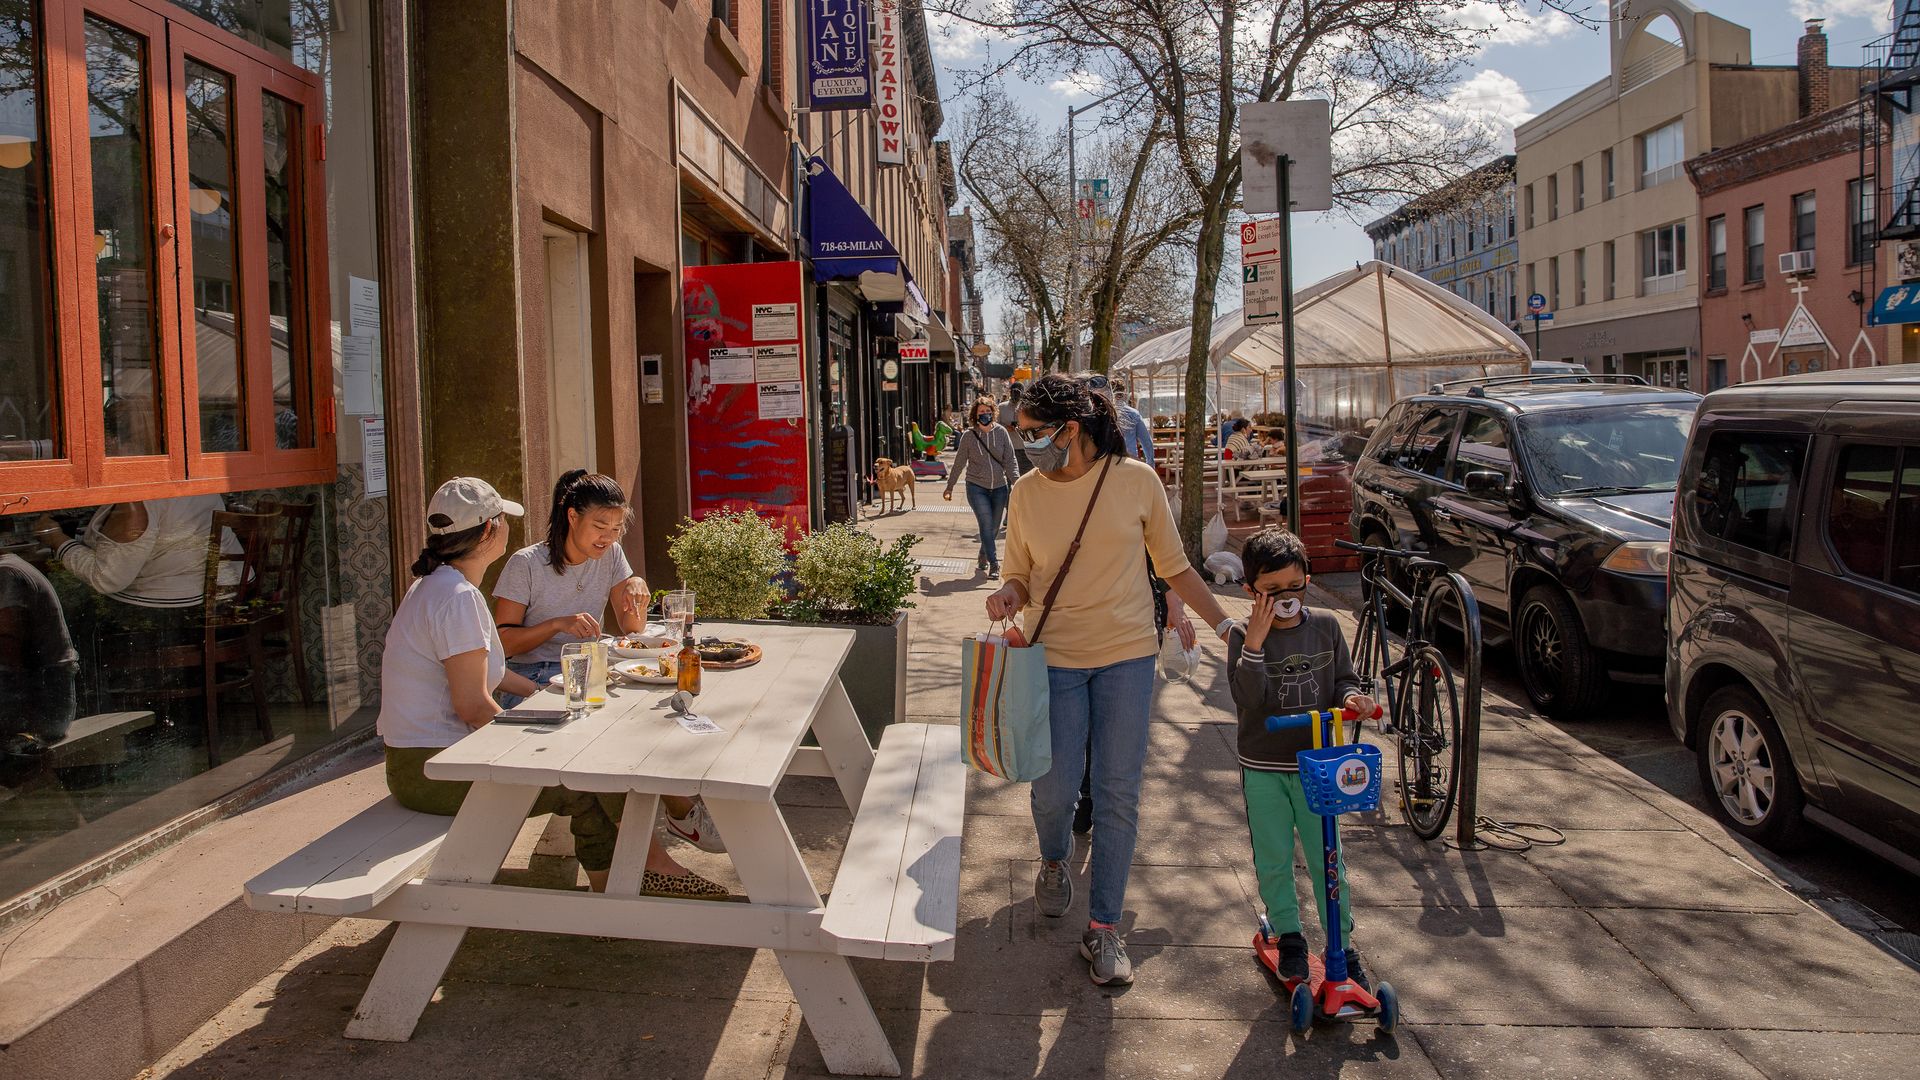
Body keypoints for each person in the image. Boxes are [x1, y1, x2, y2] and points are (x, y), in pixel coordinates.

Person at [986, 373, 1233, 986]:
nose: (1027, 446)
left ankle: (1104, 930)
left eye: (1035, 434)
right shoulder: (1025, 493)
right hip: (1055, 660)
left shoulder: (1135, 482)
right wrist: (1007, 592)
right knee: (1055, 791)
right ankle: (1052, 859)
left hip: (1126, 657)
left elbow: (1174, 568)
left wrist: (1229, 628)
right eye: (1022, 436)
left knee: (1119, 793)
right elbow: (1018, 571)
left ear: (1072, 430)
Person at [380, 477, 726, 900]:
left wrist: (547, 701)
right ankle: (636, 878)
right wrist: (537, 740)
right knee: (584, 780)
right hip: (432, 771)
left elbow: (491, 674)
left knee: (591, 767)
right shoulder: (457, 597)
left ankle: (622, 886)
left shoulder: (442, 587)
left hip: (424, 763)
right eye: (504, 520)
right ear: (491, 531)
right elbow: (473, 706)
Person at [492, 470, 726, 859]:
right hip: (532, 679)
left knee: (649, 721)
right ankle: (672, 824)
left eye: (616, 529)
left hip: (591, 670)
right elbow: (502, 642)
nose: (608, 537)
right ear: (571, 517)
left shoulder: (611, 555)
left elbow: (632, 629)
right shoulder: (527, 564)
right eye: (600, 526)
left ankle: (663, 832)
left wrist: (634, 586)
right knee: (616, 736)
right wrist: (557, 624)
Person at [1225, 528, 1378, 990]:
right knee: (1273, 856)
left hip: (1319, 768)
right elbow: (1248, 697)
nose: (1286, 599)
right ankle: (1289, 935)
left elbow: (1343, 680)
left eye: (1295, 588)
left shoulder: (1327, 627)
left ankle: (1342, 942)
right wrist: (1254, 642)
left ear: (1307, 580)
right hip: (1265, 766)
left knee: (1327, 857)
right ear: (1252, 592)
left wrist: (1355, 698)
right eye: (1272, 592)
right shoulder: (1242, 635)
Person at [0, 553, 78, 744]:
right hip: (49, 707)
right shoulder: (13, 567)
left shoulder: (7, 574)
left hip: (41, 713)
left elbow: (7, 649)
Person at [943, 397, 1018, 577]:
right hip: (977, 487)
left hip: (1000, 486)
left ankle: (983, 554)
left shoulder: (1001, 433)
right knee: (985, 523)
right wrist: (950, 486)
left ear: (993, 412)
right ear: (975, 416)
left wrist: (1017, 480)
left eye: (988, 411)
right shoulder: (969, 436)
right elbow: (959, 462)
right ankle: (994, 564)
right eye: (981, 412)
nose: (985, 414)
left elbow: (1010, 459)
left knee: (993, 527)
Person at [1106, 378, 1156, 466]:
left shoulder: (1104, 413)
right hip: (1130, 461)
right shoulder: (1133, 414)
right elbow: (1147, 442)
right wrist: (1150, 464)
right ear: (1124, 393)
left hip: (1108, 463)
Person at [998, 383, 1030, 476]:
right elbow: (995, 425)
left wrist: (1022, 426)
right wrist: (1006, 427)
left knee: (1025, 478)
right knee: (1007, 478)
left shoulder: (1028, 407)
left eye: (1018, 391)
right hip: (1007, 448)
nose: (1016, 394)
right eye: (1014, 391)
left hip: (1025, 449)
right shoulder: (1001, 407)